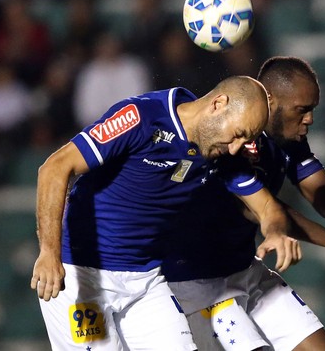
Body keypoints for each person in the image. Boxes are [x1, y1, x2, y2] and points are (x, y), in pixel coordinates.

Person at [30, 75, 301, 350]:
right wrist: (49, 253)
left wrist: (277, 231)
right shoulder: (140, 117)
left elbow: (267, 207)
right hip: (83, 275)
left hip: (146, 280)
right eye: (239, 133)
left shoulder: (222, 154)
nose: (235, 147)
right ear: (219, 104)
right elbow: (54, 168)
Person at [165, 56, 325, 351]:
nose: (310, 119)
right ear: (270, 100)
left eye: (312, 109)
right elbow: (261, 209)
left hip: (244, 269)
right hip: (198, 281)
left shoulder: (290, 140)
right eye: (302, 110)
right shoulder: (229, 139)